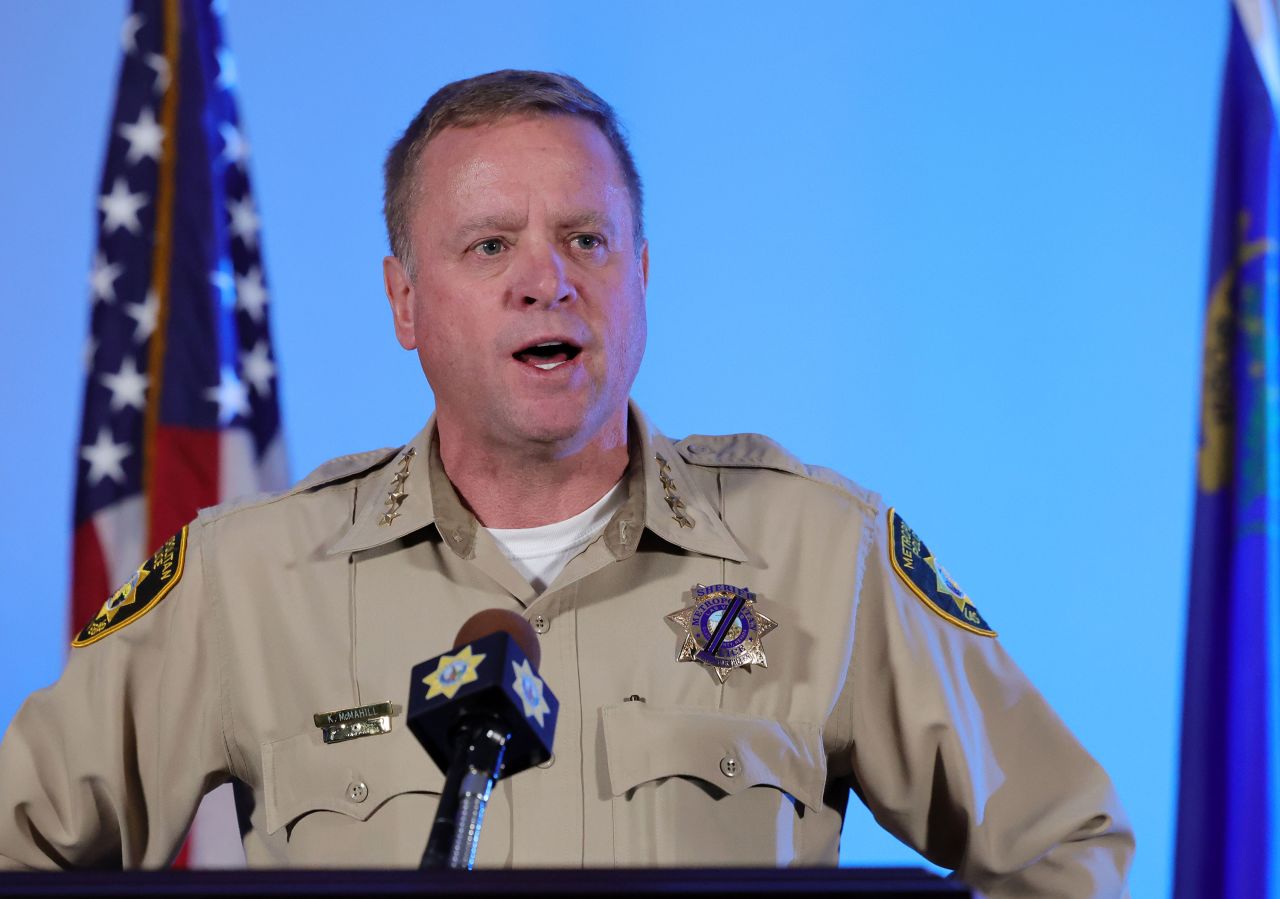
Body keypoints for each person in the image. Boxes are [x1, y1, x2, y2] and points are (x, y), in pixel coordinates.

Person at [0, 70, 1133, 895]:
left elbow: (1063, 842)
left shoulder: (817, 550)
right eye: (489, 244)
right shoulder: (247, 578)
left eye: (587, 240)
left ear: (639, 276)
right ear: (403, 301)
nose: (547, 280)